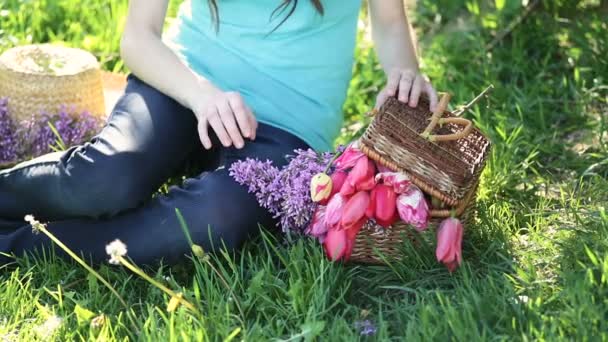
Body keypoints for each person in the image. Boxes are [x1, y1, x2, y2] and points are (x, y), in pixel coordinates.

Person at [0, 0, 437, 265]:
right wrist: (201, 95)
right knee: (103, 180)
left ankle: (17, 243)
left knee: (214, 218)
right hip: (185, 81)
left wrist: (404, 77)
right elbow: (139, 37)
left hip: (290, 121)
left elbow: (391, 23)